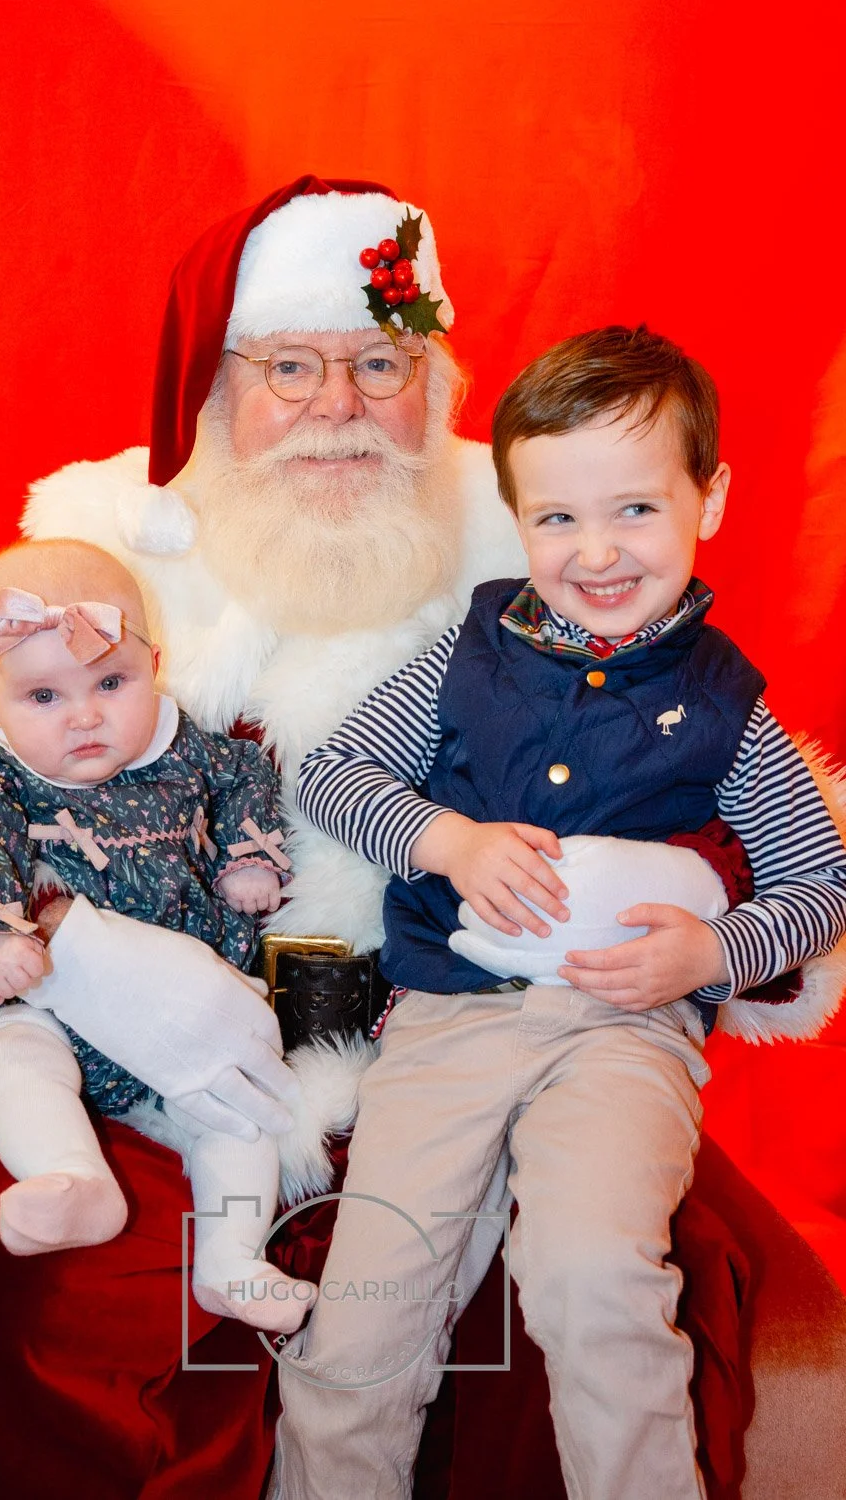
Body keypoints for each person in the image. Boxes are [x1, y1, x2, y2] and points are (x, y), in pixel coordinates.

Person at [0, 178, 837, 1498]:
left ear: (433, 387)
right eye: (293, 366)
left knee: (594, 1312)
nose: (339, 405)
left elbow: (756, 827)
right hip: (158, 1076)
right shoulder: (106, 561)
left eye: (381, 363)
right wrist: (64, 933)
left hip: (496, 1038)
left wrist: (695, 929)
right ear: (215, 395)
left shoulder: (546, 558)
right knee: (18, 1310)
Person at [272, 325, 846, 1500]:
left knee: (594, 1274)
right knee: (368, 1310)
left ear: (712, 498)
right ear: (516, 515)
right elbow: (332, 775)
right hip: (443, 1027)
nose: (595, 552)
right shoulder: (462, 658)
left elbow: (819, 889)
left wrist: (711, 951)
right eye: (557, 518)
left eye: (635, 510)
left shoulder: (728, 706)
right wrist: (449, 837)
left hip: (621, 1038)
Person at [0, 536, 315, 1329]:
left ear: (155, 666)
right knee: (10, 1057)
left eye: (111, 681)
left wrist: (249, 855)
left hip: (190, 1002)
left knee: (243, 1120)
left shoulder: (189, 749)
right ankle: (74, 1178)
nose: (85, 717)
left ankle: (230, 1259)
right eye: (43, 698)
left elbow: (249, 773)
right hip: (48, 1002)